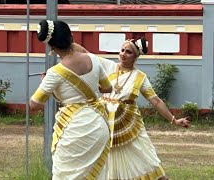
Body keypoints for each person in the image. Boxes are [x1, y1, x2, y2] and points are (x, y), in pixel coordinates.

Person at [86, 38, 190, 180]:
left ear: (135, 57)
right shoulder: (109, 66)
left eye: (128, 52)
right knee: (106, 158)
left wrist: (174, 120)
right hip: (105, 120)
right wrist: (66, 43)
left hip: (129, 123)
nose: (123, 54)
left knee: (145, 155)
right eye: (122, 50)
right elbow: (87, 55)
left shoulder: (140, 77)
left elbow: (156, 101)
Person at [30, 19, 113, 179]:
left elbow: (34, 104)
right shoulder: (93, 59)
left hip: (73, 127)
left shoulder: (54, 73)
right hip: (98, 123)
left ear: (52, 48)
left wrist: (49, 86)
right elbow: (107, 88)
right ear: (72, 37)